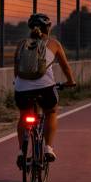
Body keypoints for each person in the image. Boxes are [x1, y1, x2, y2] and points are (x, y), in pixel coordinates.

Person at [14, 13, 76, 166]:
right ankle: (48, 148)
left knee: (23, 116)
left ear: (30, 28)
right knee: (51, 112)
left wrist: (18, 84)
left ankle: (21, 151)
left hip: (21, 88)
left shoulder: (21, 44)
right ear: (48, 28)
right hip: (45, 88)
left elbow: (16, 69)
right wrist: (70, 82)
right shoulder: (53, 43)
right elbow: (66, 67)